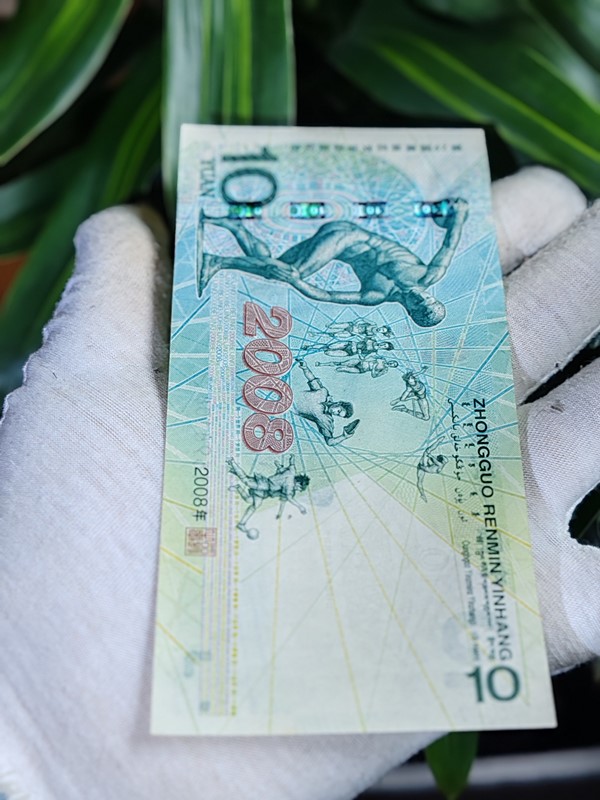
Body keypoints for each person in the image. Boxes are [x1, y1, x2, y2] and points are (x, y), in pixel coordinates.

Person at [1, 167, 599, 799]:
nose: (423, 307)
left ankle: (241, 260)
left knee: (282, 279)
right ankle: (245, 262)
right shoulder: (415, 282)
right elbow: (428, 256)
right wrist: (28, 724)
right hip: (336, 250)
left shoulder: (390, 303)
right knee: (285, 278)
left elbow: (366, 302)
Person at [197, 200, 469, 327]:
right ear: (431, 295)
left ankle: (233, 226)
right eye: (428, 299)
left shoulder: (376, 295)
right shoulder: (429, 274)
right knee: (288, 271)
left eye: (419, 305)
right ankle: (217, 261)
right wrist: (459, 215)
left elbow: (326, 295)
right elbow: (449, 245)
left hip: (335, 239)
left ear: (410, 312)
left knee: (275, 268)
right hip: (348, 236)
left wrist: (297, 283)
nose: (420, 298)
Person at [227, 455, 310, 538]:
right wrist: (300, 507)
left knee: (251, 501)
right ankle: (232, 462)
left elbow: (292, 463)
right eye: (300, 488)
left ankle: (238, 489)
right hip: (264, 485)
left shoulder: (292, 472)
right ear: (299, 483)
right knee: (246, 480)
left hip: (265, 491)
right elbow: (289, 498)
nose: (299, 490)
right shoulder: (290, 486)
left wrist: (292, 458)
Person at [294, 358, 360, 445]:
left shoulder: (326, 420)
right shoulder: (323, 392)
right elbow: (311, 378)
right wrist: (305, 368)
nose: (335, 413)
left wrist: (344, 436)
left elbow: (329, 441)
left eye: (338, 415)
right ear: (339, 403)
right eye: (338, 411)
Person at [315, 356, 400, 379]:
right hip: (360, 362)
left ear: (392, 367)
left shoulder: (384, 370)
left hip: (361, 369)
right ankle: (322, 364)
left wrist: (374, 368)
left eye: (393, 365)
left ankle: (329, 375)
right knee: (341, 363)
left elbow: (374, 376)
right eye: (392, 362)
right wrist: (366, 359)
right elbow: (372, 356)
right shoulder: (382, 359)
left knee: (342, 369)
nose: (391, 364)